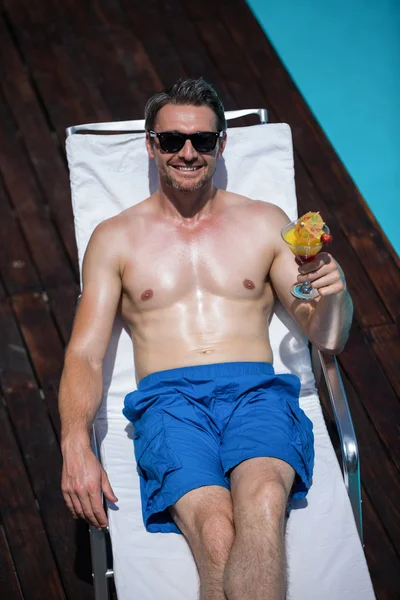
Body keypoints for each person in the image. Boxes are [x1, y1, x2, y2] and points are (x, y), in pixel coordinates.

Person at [59, 77, 353, 600]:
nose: (187, 152)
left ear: (223, 143)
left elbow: (324, 335)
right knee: (216, 535)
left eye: (203, 140)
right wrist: (75, 443)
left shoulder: (266, 223)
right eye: (172, 140)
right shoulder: (114, 237)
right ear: (151, 145)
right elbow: (84, 352)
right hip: (169, 404)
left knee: (262, 499)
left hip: (258, 393)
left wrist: (337, 295)